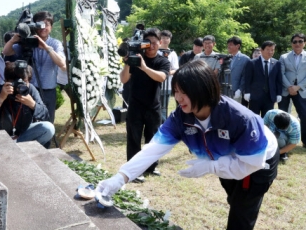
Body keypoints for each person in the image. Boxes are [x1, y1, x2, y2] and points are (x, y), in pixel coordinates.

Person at [97, 60, 279, 230]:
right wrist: (121, 178)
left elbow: (251, 163)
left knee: (241, 212)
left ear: (204, 90)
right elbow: (153, 150)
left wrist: (212, 166)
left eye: (184, 92)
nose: (178, 98)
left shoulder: (240, 119)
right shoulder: (180, 117)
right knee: (235, 199)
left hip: (258, 161)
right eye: (176, 91)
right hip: (225, 158)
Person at [120, 27, 170, 182]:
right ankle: (134, 170)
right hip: (135, 105)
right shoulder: (136, 57)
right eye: (148, 43)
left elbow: (161, 77)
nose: (151, 46)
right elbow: (124, 79)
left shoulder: (163, 60)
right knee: (134, 138)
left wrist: (144, 67)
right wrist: (128, 63)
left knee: (153, 139)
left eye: (154, 43)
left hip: (153, 106)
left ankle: (151, 167)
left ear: (160, 43)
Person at [3, 11, 66, 123]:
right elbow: (6, 52)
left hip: (48, 90)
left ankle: (47, 140)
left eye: (46, 24)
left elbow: (62, 64)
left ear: (51, 27)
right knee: (28, 121)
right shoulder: (27, 42)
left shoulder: (55, 43)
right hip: (30, 89)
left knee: (48, 120)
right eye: (39, 24)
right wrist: (13, 39)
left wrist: (46, 47)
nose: (43, 28)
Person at [0, 61, 55, 148]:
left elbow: (46, 116)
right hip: (0, 141)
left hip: (22, 137)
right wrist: (0, 99)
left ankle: (21, 153)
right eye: (15, 82)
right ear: (6, 81)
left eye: (24, 82)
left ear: (29, 81)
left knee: (48, 128)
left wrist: (32, 104)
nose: (19, 86)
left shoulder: (30, 90)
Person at [278, 33, 306, 148]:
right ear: (291, 43)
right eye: (295, 41)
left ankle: (305, 141)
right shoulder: (284, 57)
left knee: (304, 115)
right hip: (286, 89)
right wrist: (289, 86)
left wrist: (298, 86)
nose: (297, 44)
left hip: (302, 90)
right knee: (283, 115)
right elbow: (281, 73)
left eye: (300, 41)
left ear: (304, 43)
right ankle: (282, 141)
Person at [244, 41, 282, 117]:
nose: (270, 52)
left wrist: (279, 94)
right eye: (268, 49)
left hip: (270, 97)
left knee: (267, 119)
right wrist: (247, 92)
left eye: (272, 50)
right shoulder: (252, 63)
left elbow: (278, 80)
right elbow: (247, 79)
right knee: (254, 118)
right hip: (255, 96)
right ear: (261, 50)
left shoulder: (276, 63)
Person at [158, 30, 179, 122]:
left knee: (164, 107)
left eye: (167, 38)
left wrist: (168, 72)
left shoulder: (172, 53)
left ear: (170, 40)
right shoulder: (156, 51)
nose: (165, 40)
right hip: (156, 83)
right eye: (163, 38)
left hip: (167, 84)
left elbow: (176, 69)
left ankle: (163, 124)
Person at [226, 36, 250, 104]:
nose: (228, 47)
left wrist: (240, 89)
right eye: (228, 45)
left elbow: (245, 76)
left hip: (236, 91)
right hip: (225, 90)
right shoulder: (227, 58)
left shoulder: (245, 59)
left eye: (230, 45)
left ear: (238, 46)